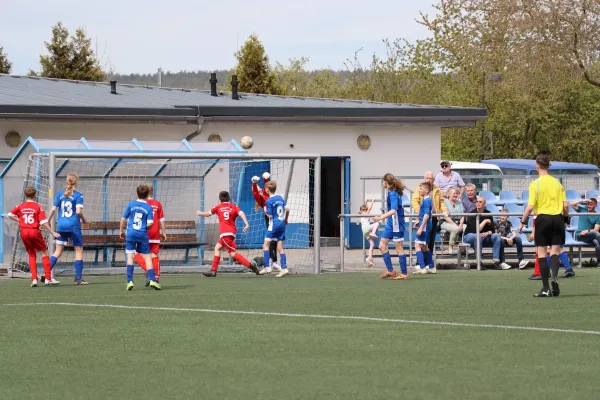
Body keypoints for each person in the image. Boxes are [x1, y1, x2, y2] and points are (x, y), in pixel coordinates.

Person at [518, 153, 568, 297]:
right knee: (555, 252)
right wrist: (565, 220)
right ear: (548, 166)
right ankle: (556, 278)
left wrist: (522, 223)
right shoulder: (558, 183)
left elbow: (529, 207)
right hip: (558, 219)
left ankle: (546, 288)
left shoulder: (535, 184)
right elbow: (565, 206)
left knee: (542, 253)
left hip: (543, 219)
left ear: (537, 166)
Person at [197, 191, 260, 277]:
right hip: (231, 232)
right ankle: (213, 270)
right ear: (229, 198)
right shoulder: (233, 207)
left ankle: (251, 266)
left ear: (220, 199)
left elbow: (208, 214)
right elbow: (241, 213)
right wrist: (246, 224)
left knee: (232, 253)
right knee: (217, 248)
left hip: (225, 233)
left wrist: (200, 213)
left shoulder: (218, 207)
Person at [7, 187, 61, 287]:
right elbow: (44, 222)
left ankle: (34, 279)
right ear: (35, 195)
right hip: (34, 231)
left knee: (31, 254)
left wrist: (20, 220)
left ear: (25, 195)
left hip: (24, 232)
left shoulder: (20, 206)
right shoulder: (38, 207)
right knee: (44, 252)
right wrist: (52, 232)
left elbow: (10, 214)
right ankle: (48, 278)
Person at [46, 173, 89, 285]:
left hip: (61, 225)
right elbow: (78, 212)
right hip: (73, 226)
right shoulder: (78, 195)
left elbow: (53, 210)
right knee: (78, 250)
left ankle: (46, 275)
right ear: (76, 182)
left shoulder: (60, 194)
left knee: (58, 251)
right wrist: (84, 220)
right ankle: (78, 279)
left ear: (67, 181)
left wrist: (48, 221)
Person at [120, 184, 160, 291]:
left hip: (131, 234)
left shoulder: (131, 204)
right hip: (142, 234)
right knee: (147, 257)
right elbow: (150, 223)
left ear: (136, 194)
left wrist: (121, 230)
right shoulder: (148, 207)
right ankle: (152, 279)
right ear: (147, 195)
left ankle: (130, 281)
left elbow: (123, 219)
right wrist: (143, 227)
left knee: (130, 257)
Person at [373, 173, 408, 280]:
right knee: (382, 246)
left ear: (385, 182)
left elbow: (394, 210)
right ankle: (390, 270)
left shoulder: (393, 194)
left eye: (383, 182)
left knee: (399, 248)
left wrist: (380, 217)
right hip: (390, 224)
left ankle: (404, 273)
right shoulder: (391, 193)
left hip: (396, 224)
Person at [463, 196, 511, 270]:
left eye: (480, 202)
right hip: (469, 236)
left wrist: (488, 233)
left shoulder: (488, 213)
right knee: (478, 236)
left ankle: (496, 262)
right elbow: (476, 229)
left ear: (484, 204)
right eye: (477, 202)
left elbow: (492, 230)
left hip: (484, 236)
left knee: (497, 236)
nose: (478, 203)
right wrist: (485, 221)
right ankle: (479, 262)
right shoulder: (472, 214)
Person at [134, 184, 167, 282]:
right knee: (154, 255)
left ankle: (149, 271)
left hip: (143, 233)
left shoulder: (140, 204)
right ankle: (156, 277)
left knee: (136, 254)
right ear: (152, 191)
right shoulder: (157, 204)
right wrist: (164, 232)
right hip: (155, 233)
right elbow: (162, 220)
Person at [412, 171, 447, 259]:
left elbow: (441, 202)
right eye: (427, 178)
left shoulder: (437, 189)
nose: (428, 180)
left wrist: (445, 210)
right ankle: (420, 262)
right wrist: (419, 211)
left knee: (430, 241)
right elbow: (414, 201)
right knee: (421, 241)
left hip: (434, 218)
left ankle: (428, 262)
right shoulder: (419, 188)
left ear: (433, 180)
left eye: (430, 178)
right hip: (423, 218)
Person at [259, 181, 290, 278]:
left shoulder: (268, 201)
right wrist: (286, 219)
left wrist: (264, 210)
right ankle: (284, 268)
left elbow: (270, 215)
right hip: (281, 224)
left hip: (274, 225)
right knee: (280, 247)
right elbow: (287, 209)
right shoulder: (280, 198)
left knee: (265, 245)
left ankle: (267, 267)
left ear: (267, 190)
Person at [251, 172, 280, 270]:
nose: (261, 189)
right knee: (271, 241)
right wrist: (255, 184)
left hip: (276, 218)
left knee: (275, 241)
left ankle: (273, 261)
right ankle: (273, 262)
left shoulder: (266, 195)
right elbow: (257, 192)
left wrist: (265, 180)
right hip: (270, 219)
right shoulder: (261, 198)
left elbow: (266, 189)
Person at [413, 182, 435, 275]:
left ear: (426, 191)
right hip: (426, 224)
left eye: (421, 188)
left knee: (417, 245)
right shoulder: (427, 200)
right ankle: (431, 267)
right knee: (425, 247)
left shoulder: (426, 200)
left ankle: (422, 267)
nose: (419, 190)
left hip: (425, 226)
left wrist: (421, 227)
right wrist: (419, 222)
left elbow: (426, 215)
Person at [570, 197, 600, 267]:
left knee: (596, 241)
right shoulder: (582, 210)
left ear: (595, 205)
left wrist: (587, 231)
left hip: (590, 236)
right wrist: (584, 200)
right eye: (588, 204)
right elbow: (571, 204)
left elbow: (596, 229)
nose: (589, 206)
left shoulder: (597, 215)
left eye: (591, 204)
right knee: (597, 235)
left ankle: (599, 262)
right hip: (579, 235)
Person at [441, 187, 465, 254]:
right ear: (449, 194)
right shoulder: (444, 202)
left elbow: (463, 215)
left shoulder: (459, 202)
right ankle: (450, 248)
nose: (455, 195)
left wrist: (460, 224)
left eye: (457, 193)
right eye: (454, 193)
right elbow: (445, 216)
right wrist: (455, 224)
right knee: (455, 229)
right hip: (446, 222)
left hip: (459, 222)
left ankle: (462, 248)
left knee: (467, 228)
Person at [359, 200, 379, 266]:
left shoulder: (363, 214)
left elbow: (366, 208)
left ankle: (369, 258)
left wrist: (366, 202)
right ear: (361, 211)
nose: (365, 211)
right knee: (377, 223)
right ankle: (373, 232)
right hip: (367, 229)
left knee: (372, 244)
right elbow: (369, 209)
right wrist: (372, 202)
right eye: (363, 211)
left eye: (365, 210)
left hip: (365, 232)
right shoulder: (364, 214)